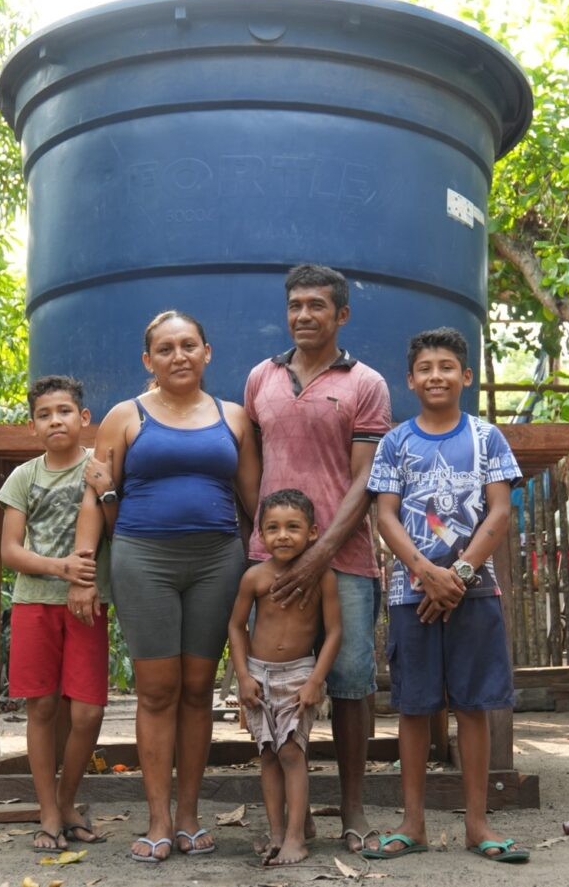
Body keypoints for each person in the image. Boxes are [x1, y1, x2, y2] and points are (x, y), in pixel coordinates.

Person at [87, 311, 261, 863]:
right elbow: (96, 493)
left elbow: (254, 502)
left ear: (207, 352)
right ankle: (158, 819)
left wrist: (271, 569)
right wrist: (86, 562)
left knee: (198, 688)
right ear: (149, 360)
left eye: (188, 345)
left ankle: (188, 815)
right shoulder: (124, 416)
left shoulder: (234, 417)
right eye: (165, 349)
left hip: (218, 561)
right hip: (144, 560)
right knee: (157, 690)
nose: (178, 356)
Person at [362, 327, 530, 864]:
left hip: (474, 592)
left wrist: (456, 574)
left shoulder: (487, 438)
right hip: (409, 595)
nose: (436, 376)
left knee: (473, 707)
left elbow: (499, 510)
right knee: (413, 707)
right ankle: (412, 824)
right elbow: (385, 515)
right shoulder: (395, 442)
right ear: (410, 380)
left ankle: (477, 825)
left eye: (447, 366)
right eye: (425, 368)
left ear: (466, 376)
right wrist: (424, 573)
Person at [243, 263, 390, 852]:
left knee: (350, 682)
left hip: (344, 560)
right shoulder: (261, 378)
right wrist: (268, 538)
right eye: (295, 305)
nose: (304, 315)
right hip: (272, 562)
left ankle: (352, 809)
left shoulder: (366, 383)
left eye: (317, 306)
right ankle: (291, 822)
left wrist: (320, 550)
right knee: (274, 681)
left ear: (341, 314)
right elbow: (251, 463)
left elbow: (366, 478)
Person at [0, 375, 109, 853]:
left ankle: (66, 800)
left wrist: (82, 577)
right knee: (41, 706)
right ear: (32, 426)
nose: (55, 421)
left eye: (64, 411)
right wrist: (60, 567)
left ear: (84, 418)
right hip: (33, 603)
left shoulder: (99, 468)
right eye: (44, 415)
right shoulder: (24, 477)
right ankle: (48, 812)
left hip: (88, 606)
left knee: (88, 710)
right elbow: (10, 550)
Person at [227, 489, 343, 867]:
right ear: (260, 534)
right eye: (273, 528)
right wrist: (243, 676)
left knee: (291, 752)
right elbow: (236, 626)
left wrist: (316, 681)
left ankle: (296, 837)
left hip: (299, 675)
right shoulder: (254, 577)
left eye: (293, 527)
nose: (283, 536)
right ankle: (277, 832)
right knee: (267, 754)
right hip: (259, 675)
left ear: (313, 532)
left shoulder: (323, 577)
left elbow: (334, 632)